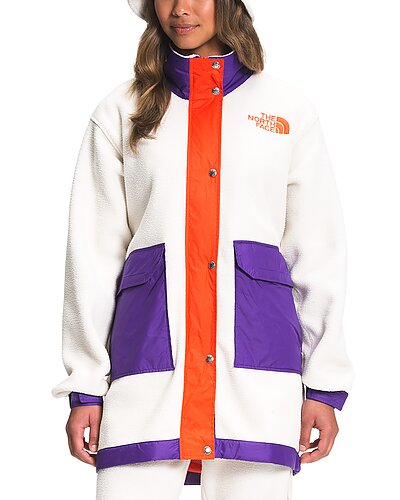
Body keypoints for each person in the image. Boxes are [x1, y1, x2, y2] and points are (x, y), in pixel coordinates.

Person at [51, 1, 355, 499]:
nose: (180, 8)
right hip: (147, 375)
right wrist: (85, 382)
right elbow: (92, 255)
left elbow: (316, 251)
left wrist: (323, 382)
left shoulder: (286, 110)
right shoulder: (121, 111)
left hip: (255, 378)